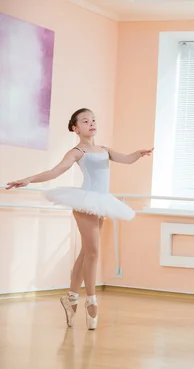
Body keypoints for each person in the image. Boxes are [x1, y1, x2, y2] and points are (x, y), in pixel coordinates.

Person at [5, 108, 153, 330]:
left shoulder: (104, 150)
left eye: (93, 119)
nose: (91, 123)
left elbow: (126, 159)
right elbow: (55, 171)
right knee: (93, 252)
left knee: (86, 253)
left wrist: (139, 154)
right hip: (86, 203)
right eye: (85, 121)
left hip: (102, 202)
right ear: (76, 128)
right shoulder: (77, 152)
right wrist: (28, 179)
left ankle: (71, 297)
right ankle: (91, 300)